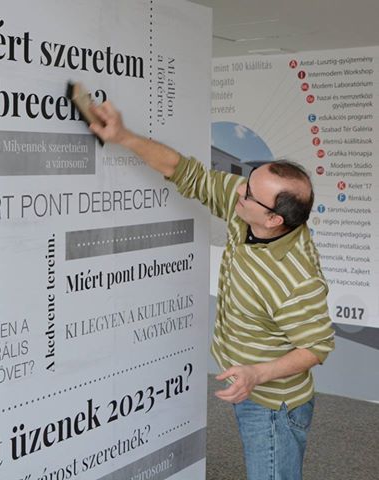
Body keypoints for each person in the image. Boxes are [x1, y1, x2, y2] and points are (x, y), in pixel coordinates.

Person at [89, 100, 335, 480]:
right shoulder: (248, 209)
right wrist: (122, 136)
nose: (239, 191)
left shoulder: (295, 277)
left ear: (273, 219)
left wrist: (257, 374)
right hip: (246, 382)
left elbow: (316, 348)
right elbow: (186, 172)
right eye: (247, 181)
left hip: (273, 405)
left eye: (249, 194)